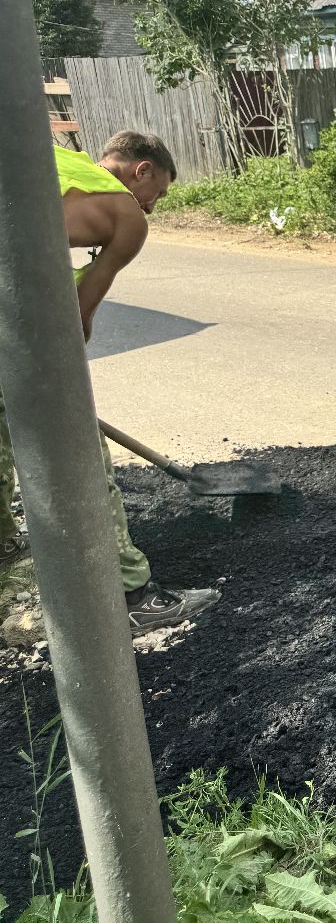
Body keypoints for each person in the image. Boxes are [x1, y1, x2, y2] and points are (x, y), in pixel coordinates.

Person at [0, 131, 220, 636]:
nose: (153, 206)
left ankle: (2, 552)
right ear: (141, 170)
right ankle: (134, 596)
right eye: (158, 192)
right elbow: (78, 312)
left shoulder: (55, 161)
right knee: (80, 457)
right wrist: (63, 379)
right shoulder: (126, 215)